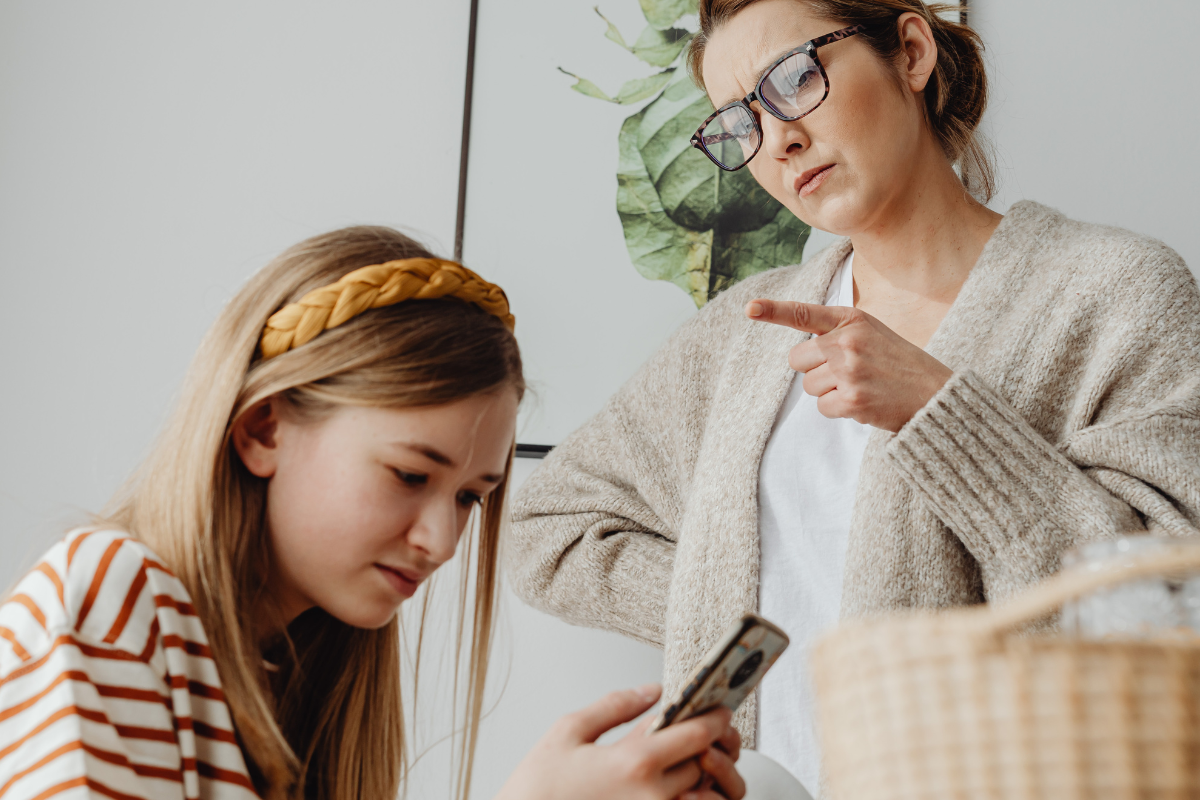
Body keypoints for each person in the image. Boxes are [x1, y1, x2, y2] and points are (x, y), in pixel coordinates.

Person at [505, 0, 1200, 796]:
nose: (778, 139)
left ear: (909, 52)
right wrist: (746, 607)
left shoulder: (1116, 293)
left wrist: (941, 413)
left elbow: (1171, 609)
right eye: (739, 123)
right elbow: (550, 527)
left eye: (794, 80)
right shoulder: (746, 331)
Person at [0, 226, 745, 800]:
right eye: (408, 474)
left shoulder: (306, 686)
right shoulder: (111, 593)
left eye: (469, 498)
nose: (442, 540)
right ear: (263, 429)